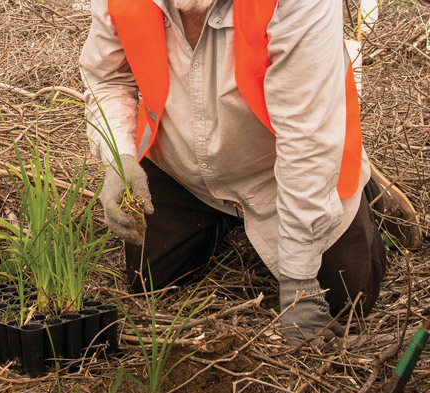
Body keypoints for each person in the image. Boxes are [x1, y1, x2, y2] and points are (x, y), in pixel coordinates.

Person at [80, 0, 423, 347]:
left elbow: (306, 135)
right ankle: (223, 217)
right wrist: (119, 157)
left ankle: (366, 191)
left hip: (276, 166)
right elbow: (108, 78)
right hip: (181, 163)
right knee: (149, 281)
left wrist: (299, 282)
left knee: (346, 301)